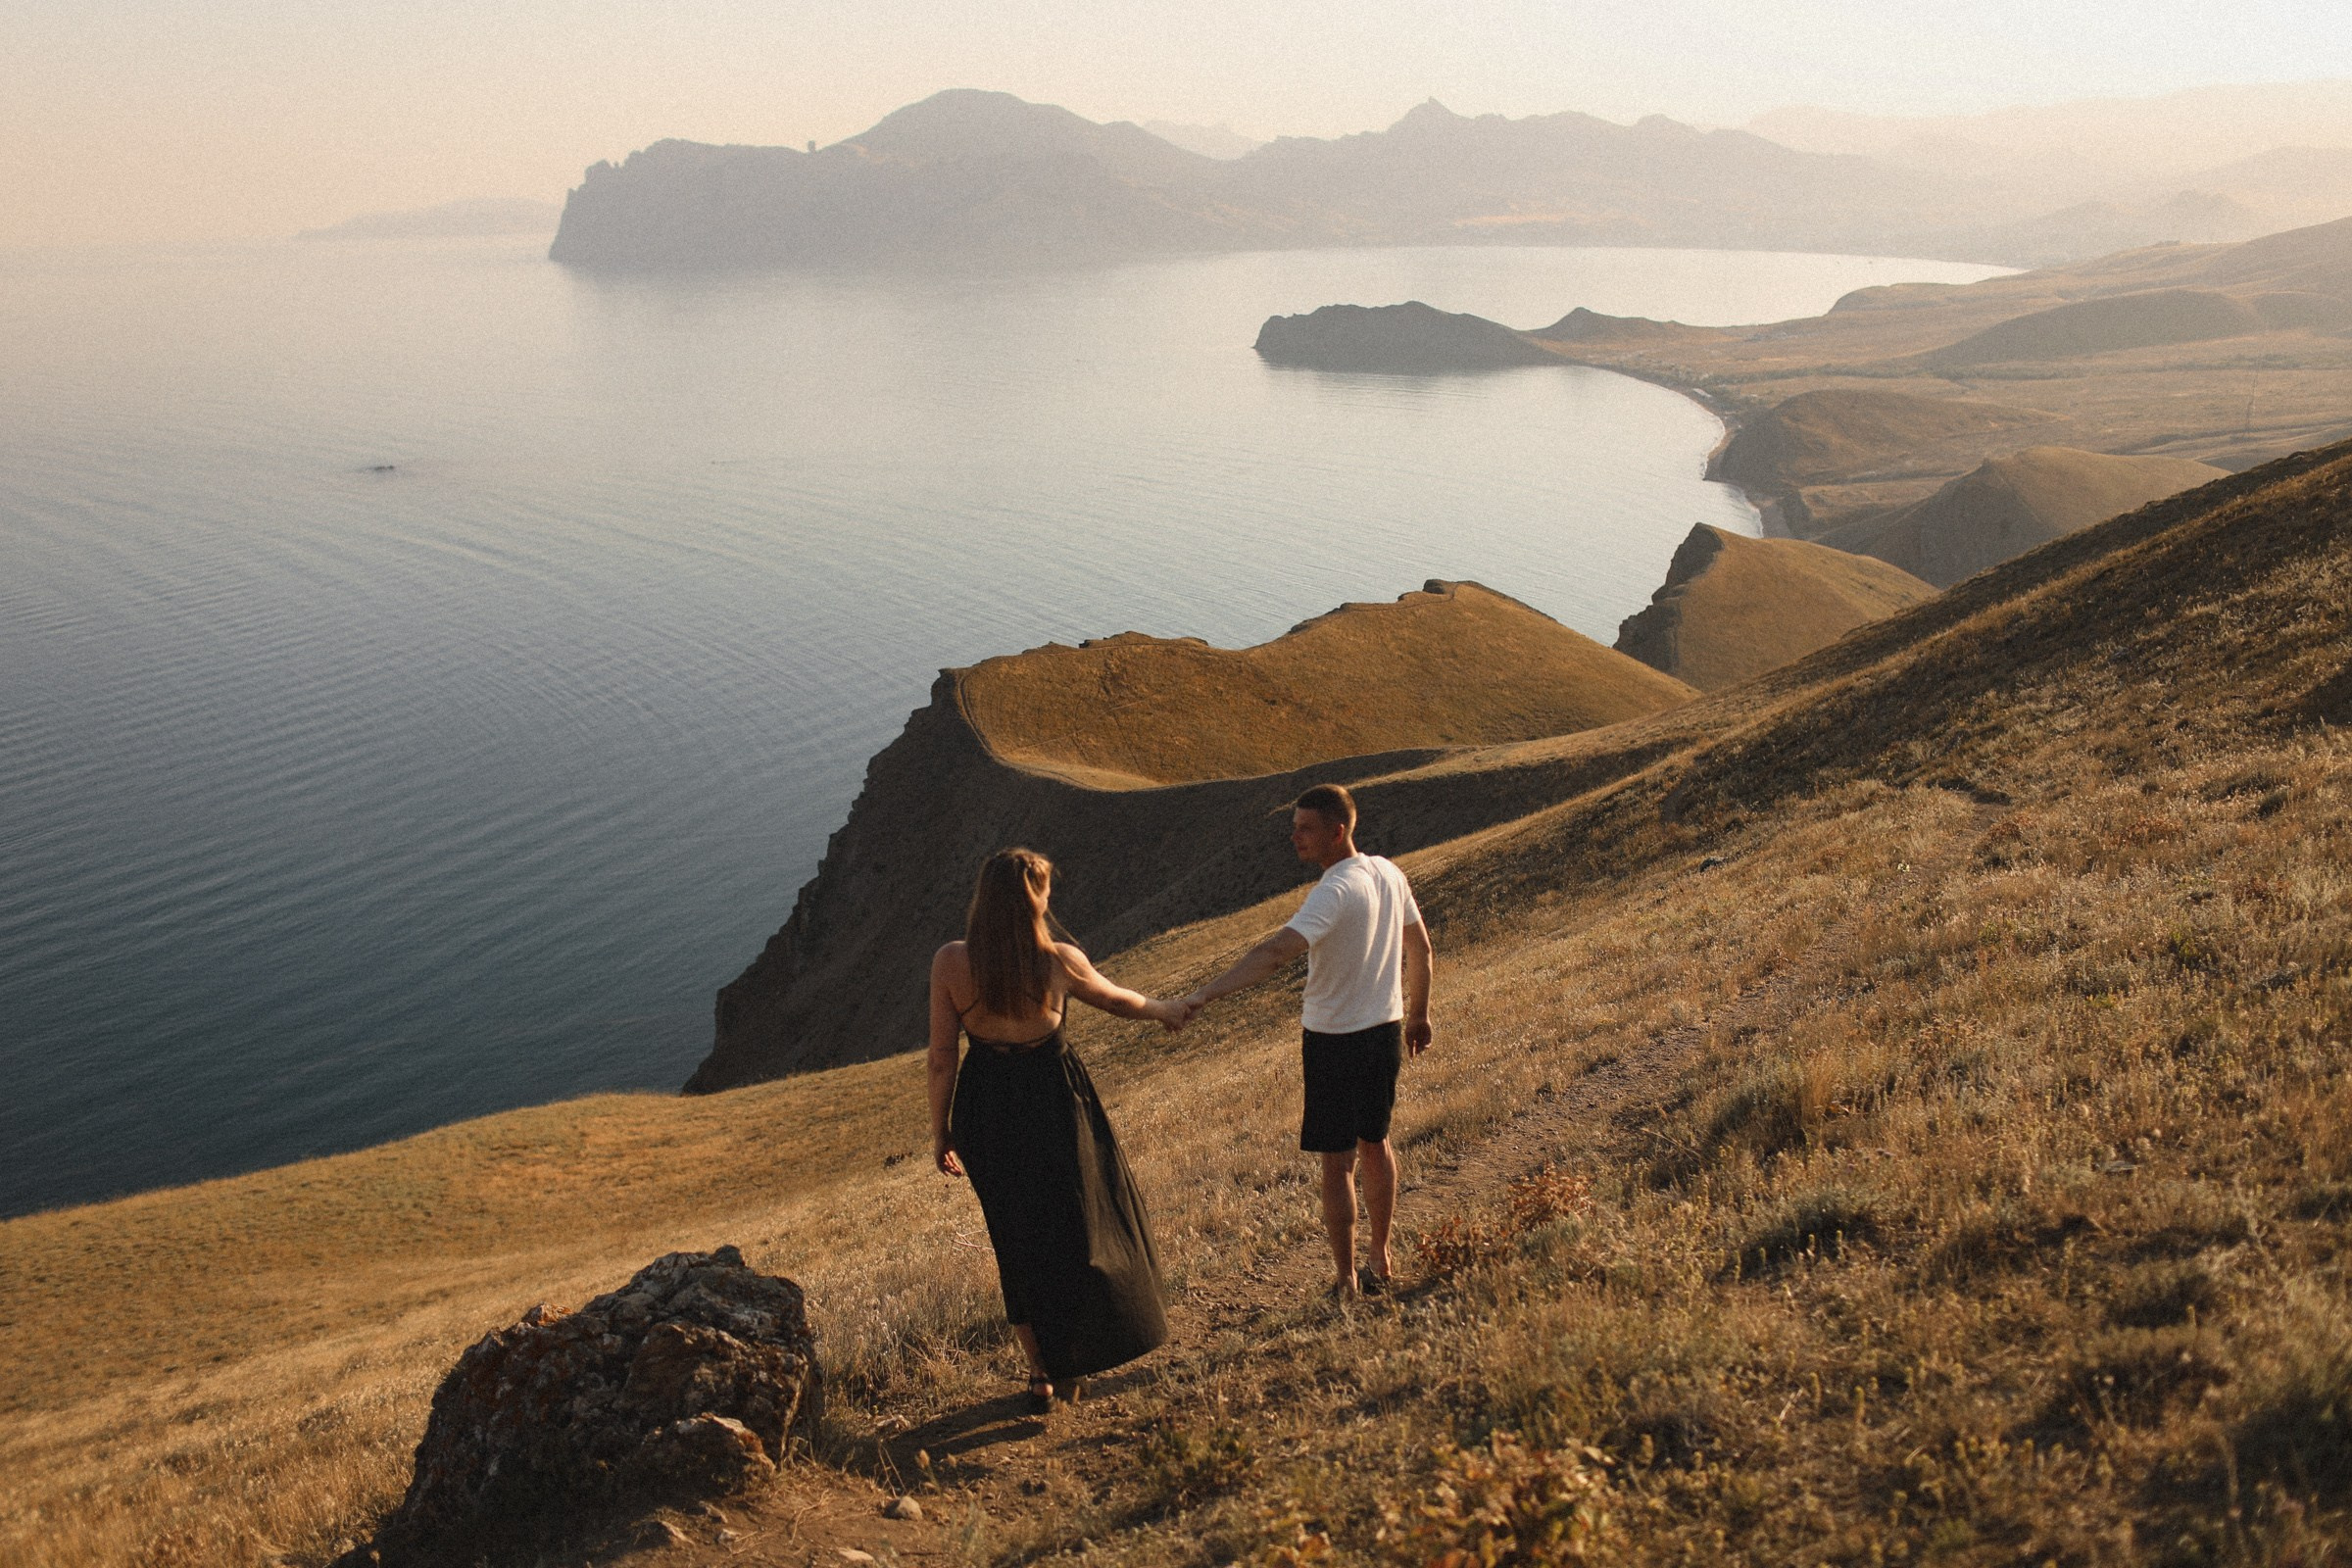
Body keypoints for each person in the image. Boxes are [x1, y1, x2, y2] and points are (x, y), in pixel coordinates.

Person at [928, 847, 1189, 1409]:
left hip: (985, 1110)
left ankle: (1040, 1370)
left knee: (1014, 1239)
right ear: (1034, 899)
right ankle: (1083, 1349)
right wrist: (1165, 1008)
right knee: (1076, 1230)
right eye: (1045, 889)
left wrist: (941, 1131)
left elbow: (942, 1057)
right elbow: (1117, 1001)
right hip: (1052, 1103)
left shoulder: (951, 962)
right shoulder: (1058, 962)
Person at [1182, 784, 1433, 1300]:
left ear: (1337, 833)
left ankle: (1344, 1280)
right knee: (1377, 1145)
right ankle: (1380, 1260)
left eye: (1305, 828)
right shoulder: (1388, 872)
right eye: (1294, 826)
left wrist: (1207, 993)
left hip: (1334, 1039)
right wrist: (1418, 1015)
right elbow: (1421, 949)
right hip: (1384, 1030)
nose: (1293, 837)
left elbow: (1277, 953)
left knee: (1338, 1162)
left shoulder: (1334, 890)